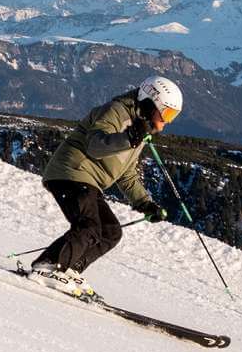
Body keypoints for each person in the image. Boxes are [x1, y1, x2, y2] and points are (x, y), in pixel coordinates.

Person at [28, 75, 184, 297]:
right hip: (71, 172)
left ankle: (69, 269)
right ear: (151, 102)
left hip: (88, 181)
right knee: (89, 225)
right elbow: (95, 146)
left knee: (111, 231)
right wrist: (129, 137)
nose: (167, 121)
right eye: (167, 113)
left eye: (173, 116)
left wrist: (145, 203)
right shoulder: (116, 112)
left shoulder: (141, 129)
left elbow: (125, 173)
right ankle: (48, 267)